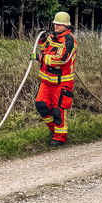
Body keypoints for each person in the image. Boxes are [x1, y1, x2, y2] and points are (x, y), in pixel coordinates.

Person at [33, 11, 77, 147]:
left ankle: (60, 137)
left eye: (59, 24)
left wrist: (39, 58)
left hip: (61, 82)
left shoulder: (69, 40)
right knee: (41, 105)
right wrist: (42, 41)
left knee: (58, 110)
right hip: (46, 80)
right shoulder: (52, 37)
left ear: (66, 26)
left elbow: (61, 59)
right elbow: (45, 49)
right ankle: (53, 129)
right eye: (55, 24)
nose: (56, 26)